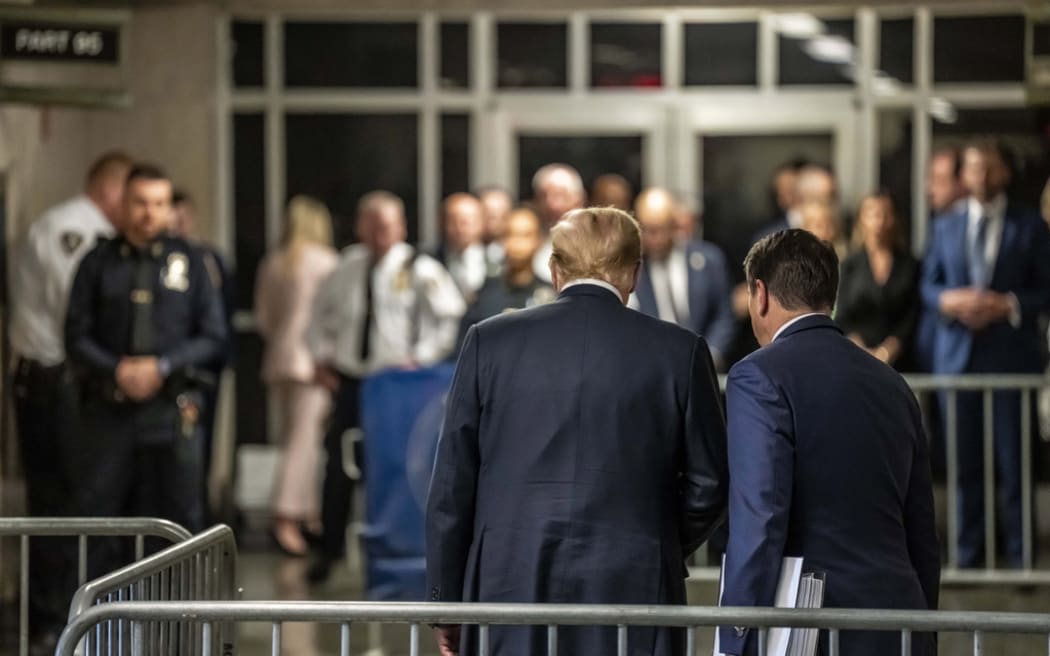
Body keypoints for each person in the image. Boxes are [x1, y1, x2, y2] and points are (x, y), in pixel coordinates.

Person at [426, 207, 728, 656]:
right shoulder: (680, 352)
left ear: (553, 270)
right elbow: (711, 483)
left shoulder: (489, 342)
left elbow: (452, 487)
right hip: (636, 583)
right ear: (635, 274)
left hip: (508, 583)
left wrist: (445, 607)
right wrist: (652, 536)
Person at [719, 229, 940, 656]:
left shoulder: (758, 376)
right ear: (830, 296)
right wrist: (923, 626)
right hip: (899, 620)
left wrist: (735, 635)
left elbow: (759, 517)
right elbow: (922, 532)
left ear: (759, 294)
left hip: (810, 627)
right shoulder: (892, 384)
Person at [306, 190, 465, 583]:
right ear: (361, 227)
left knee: (394, 464)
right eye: (373, 226)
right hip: (351, 380)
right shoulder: (347, 265)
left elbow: (450, 319)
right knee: (338, 467)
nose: (381, 234)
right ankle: (329, 550)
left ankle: (399, 548)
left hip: (397, 384)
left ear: (402, 227)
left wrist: (422, 357)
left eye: (389, 226)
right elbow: (318, 317)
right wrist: (321, 357)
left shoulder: (420, 268)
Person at [9, 150, 131, 650]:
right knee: (64, 509)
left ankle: (59, 615)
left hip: (51, 380)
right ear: (111, 192)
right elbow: (75, 308)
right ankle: (56, 618)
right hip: (55, 381)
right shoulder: (74, 232)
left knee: (62, 506)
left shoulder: (66, 225)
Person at [66, 163, 227, 539]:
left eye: (159, 203)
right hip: (109, 409)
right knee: (100, 516)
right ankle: (102, 599)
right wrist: (117, 369)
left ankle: (180, 601)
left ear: (170, 207)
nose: (149, 212)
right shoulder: (98, 262)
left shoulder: (191, 261)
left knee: (179, 520)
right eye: (140, 202)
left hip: (172, 409)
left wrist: (163, 366)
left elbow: (214, 336)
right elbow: (75, 336)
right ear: (123, 204)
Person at [921, 138, 1050, 568]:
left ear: (1006, 174)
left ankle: (1020, 557)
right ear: (963, 175)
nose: (981, 177)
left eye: (990, 169)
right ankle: (967, 555)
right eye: (973, 169)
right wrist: (950, 301)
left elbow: (1044, 291)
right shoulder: (944, 225)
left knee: (1015, 465)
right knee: (962, 466)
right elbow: (929, 286)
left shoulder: (1029, 226)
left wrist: (1006, 304)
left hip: (1010, 360)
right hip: (957, 361)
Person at [254, 196, 339, 557]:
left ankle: (307, 514)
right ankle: (287, 516)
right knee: (303, 443)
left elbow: (264, 318)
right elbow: (335, 316)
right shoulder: (326, 262)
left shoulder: (275, 261)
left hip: (280, 358)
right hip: (312, 361)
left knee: (294, 437)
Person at [170, 188, 235, 500]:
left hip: (203, 363)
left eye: (184, 216)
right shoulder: (160, 259)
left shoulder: (207, 259)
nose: (178, 222)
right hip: (170, 363)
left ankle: (201, 509)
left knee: (202, 442)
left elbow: (224, 310)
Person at [630, 188, 735, 370]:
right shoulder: (633, 269)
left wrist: (711, 355)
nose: (651, 239)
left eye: (657, 230)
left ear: (674, 225)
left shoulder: (709, 260)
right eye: (645, 230)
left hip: (706, 367)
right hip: (657, 370)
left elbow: (724, 314)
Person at [836, 193, 920, 369]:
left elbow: (912, 315)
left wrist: (887, 351)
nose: (880, 222)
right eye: (873, 214)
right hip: (856, 359)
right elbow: (842, 315)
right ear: (861, 220)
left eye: (885, 214)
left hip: (902, 361)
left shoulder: (910, 264)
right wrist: (864, 352)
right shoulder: (849, 265)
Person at [454, 207, 555, 352]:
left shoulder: (553, 298)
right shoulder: (483, 296)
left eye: (525, 235)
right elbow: (464, 351)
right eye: (510, 235)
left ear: (538, 241)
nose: (516, 243)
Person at [530, 164, 585, 283]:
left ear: (579, 198)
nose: (551, 204)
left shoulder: (600, 244)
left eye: (559, 195)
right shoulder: (527, 242)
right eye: (543, 196)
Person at [431, 193, 488, 302]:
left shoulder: (500, 262)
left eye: (466, 222)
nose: (459, 229)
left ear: (482, 223)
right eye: (453, 221)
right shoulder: (431, 261)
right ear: (442, 224)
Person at [476, 185, 513, 274]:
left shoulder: (519, 254)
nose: (494, 223)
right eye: (488, 215)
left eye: (502, 216)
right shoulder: (460, 254)